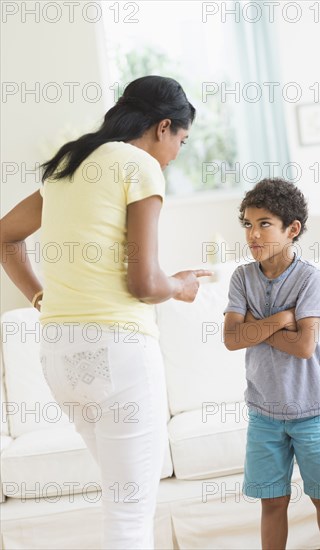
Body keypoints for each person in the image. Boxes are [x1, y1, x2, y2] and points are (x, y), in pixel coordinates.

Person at [0, 75, 212, 550]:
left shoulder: (68, 167)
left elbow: (4, 235)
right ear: (163, 127)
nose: (177, 151)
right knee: (130, 517)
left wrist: (40, 300)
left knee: (121, 504)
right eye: (181, 138)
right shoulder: (139, 166)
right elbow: (145, 284)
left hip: (59, 357)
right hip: (119, 353)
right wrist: (181, 285)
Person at [223, 178, 320, 550]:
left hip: (312, 409)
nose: (253, 234)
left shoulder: (310, 279)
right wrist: (280, 319)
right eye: (247, 224)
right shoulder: (242, 277)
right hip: (264, 412)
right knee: (272, 501)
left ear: (292, 229)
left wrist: (253, 329)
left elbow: (305, 346)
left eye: (264, 224)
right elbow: (231, 339)